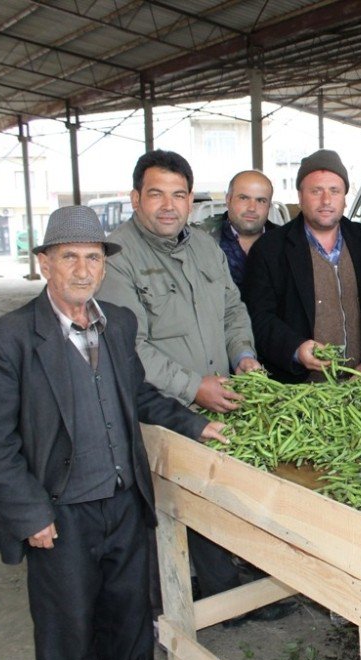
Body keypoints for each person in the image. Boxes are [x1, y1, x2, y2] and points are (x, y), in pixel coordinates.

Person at [0, 206, 228, 660]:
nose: (82, 269)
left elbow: (137, 395)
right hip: (60, 514)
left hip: (125, 504)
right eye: (68, 256)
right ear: (44, 264)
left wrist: (195, 424)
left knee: (131, 624)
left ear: (104, 265)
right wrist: (30, 512)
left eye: (93, 257)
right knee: (69, 633)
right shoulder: (4, 341)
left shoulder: (117, 322)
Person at [97, 149, 277, 613]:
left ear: (191, 200)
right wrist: (192, 385)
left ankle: (228, 589)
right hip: (161, 405)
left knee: (219, 493)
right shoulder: (117, 257)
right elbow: (129, 347)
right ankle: (188, 600)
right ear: (135, 197)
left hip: (217, 392)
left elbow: (233, 308)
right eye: (156, 194)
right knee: (173, 506)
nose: (168, 205)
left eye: (179, 195)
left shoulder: (202, 245)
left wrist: (243, 355)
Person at [244, 149, 361, 383]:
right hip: (301, 389)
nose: (326, 200)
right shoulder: (270, 249)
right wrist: (295, 348)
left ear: (345, 197)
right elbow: (257, 317)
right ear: (300, 196)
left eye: (334, 191)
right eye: (316, 191)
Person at [209, 170, 278, 290]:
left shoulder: (287, 242)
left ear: (269, 206)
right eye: (244, 198)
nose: (252, 208)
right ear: (228, 199)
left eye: (261, 200)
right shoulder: (202, 239)